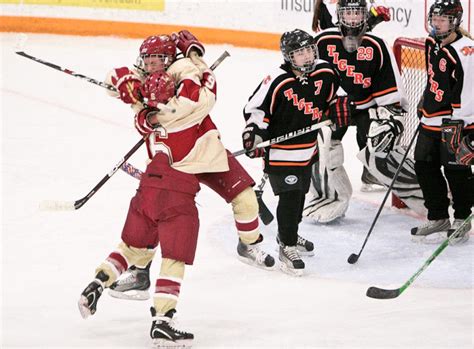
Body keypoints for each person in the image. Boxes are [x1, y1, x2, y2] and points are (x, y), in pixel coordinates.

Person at [104, 32, 275, 301]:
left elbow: (205, 92)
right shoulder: (148, 77)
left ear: (171, 58)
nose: (151, 65)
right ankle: (139, 274)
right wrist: (120, 81)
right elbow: (114, 78)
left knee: (245, 198)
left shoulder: (183, 71)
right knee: (156, 217)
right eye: (147, 60)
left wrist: (143, 110)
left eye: (158, 59)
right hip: (170, 163)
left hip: (206, 152)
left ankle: (249, 244)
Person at [78, 72, 200, 347]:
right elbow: (199, 97)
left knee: (132, 246)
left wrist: (130, 92)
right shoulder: (188, 116)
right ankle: (163, 321)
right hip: (177, 195)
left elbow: (137, 104)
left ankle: (98, 282)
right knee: (173, 258)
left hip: (147, 189)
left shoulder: (142, 118)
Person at [242, 29, 346, 275]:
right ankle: (286, 245)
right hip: (280, 152)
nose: (307, 56)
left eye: (309, 50)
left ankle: (290, 233)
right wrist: (254, 134)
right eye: (300, 53)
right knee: (289, 196)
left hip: (308, 150)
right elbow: (254, 109)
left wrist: (339, 106)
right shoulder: (277, 80)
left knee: (300, 195)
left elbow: (336, 95)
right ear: (289, 57)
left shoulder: (326, 71)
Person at [303, 0, 407, 223]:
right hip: (334, 109)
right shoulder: (322, 40)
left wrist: (391, 115)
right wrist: (327, 103)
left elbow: (388, 87)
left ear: (364, 16)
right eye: (348, 14)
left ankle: (394, 180)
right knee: (322, 145)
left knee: (380, 138)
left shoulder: (376, 45)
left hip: (365, 107)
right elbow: (307, 80)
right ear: (338, 15)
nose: (352, 19)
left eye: (357, 14)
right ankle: (328, 197)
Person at [410, 0, 473, 244]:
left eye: (443, 19)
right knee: (423, 165)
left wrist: (465, 125)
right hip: (431, 118)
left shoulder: (466, 50)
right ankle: (438, 216)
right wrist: (424, 102)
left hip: (456, 119)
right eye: (435, 19)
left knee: (456, 170)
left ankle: (462, 218)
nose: (437, 24)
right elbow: (433, 78)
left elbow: (468, 91)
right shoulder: (431, 43)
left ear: (455, 21)